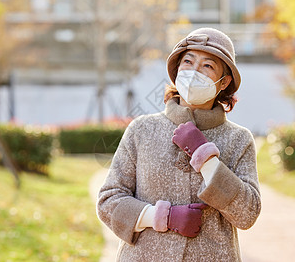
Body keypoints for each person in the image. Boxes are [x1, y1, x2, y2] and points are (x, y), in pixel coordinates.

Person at [97, 28, 261, 261]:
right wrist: (162, 217)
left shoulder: (239, 139)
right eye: (188, 61)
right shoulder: (142, 129)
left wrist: (205, 157)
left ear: (224, 82)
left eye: (207, 66)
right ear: (176, 70)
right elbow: (108, 201)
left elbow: (247, 214)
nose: (194, 71)